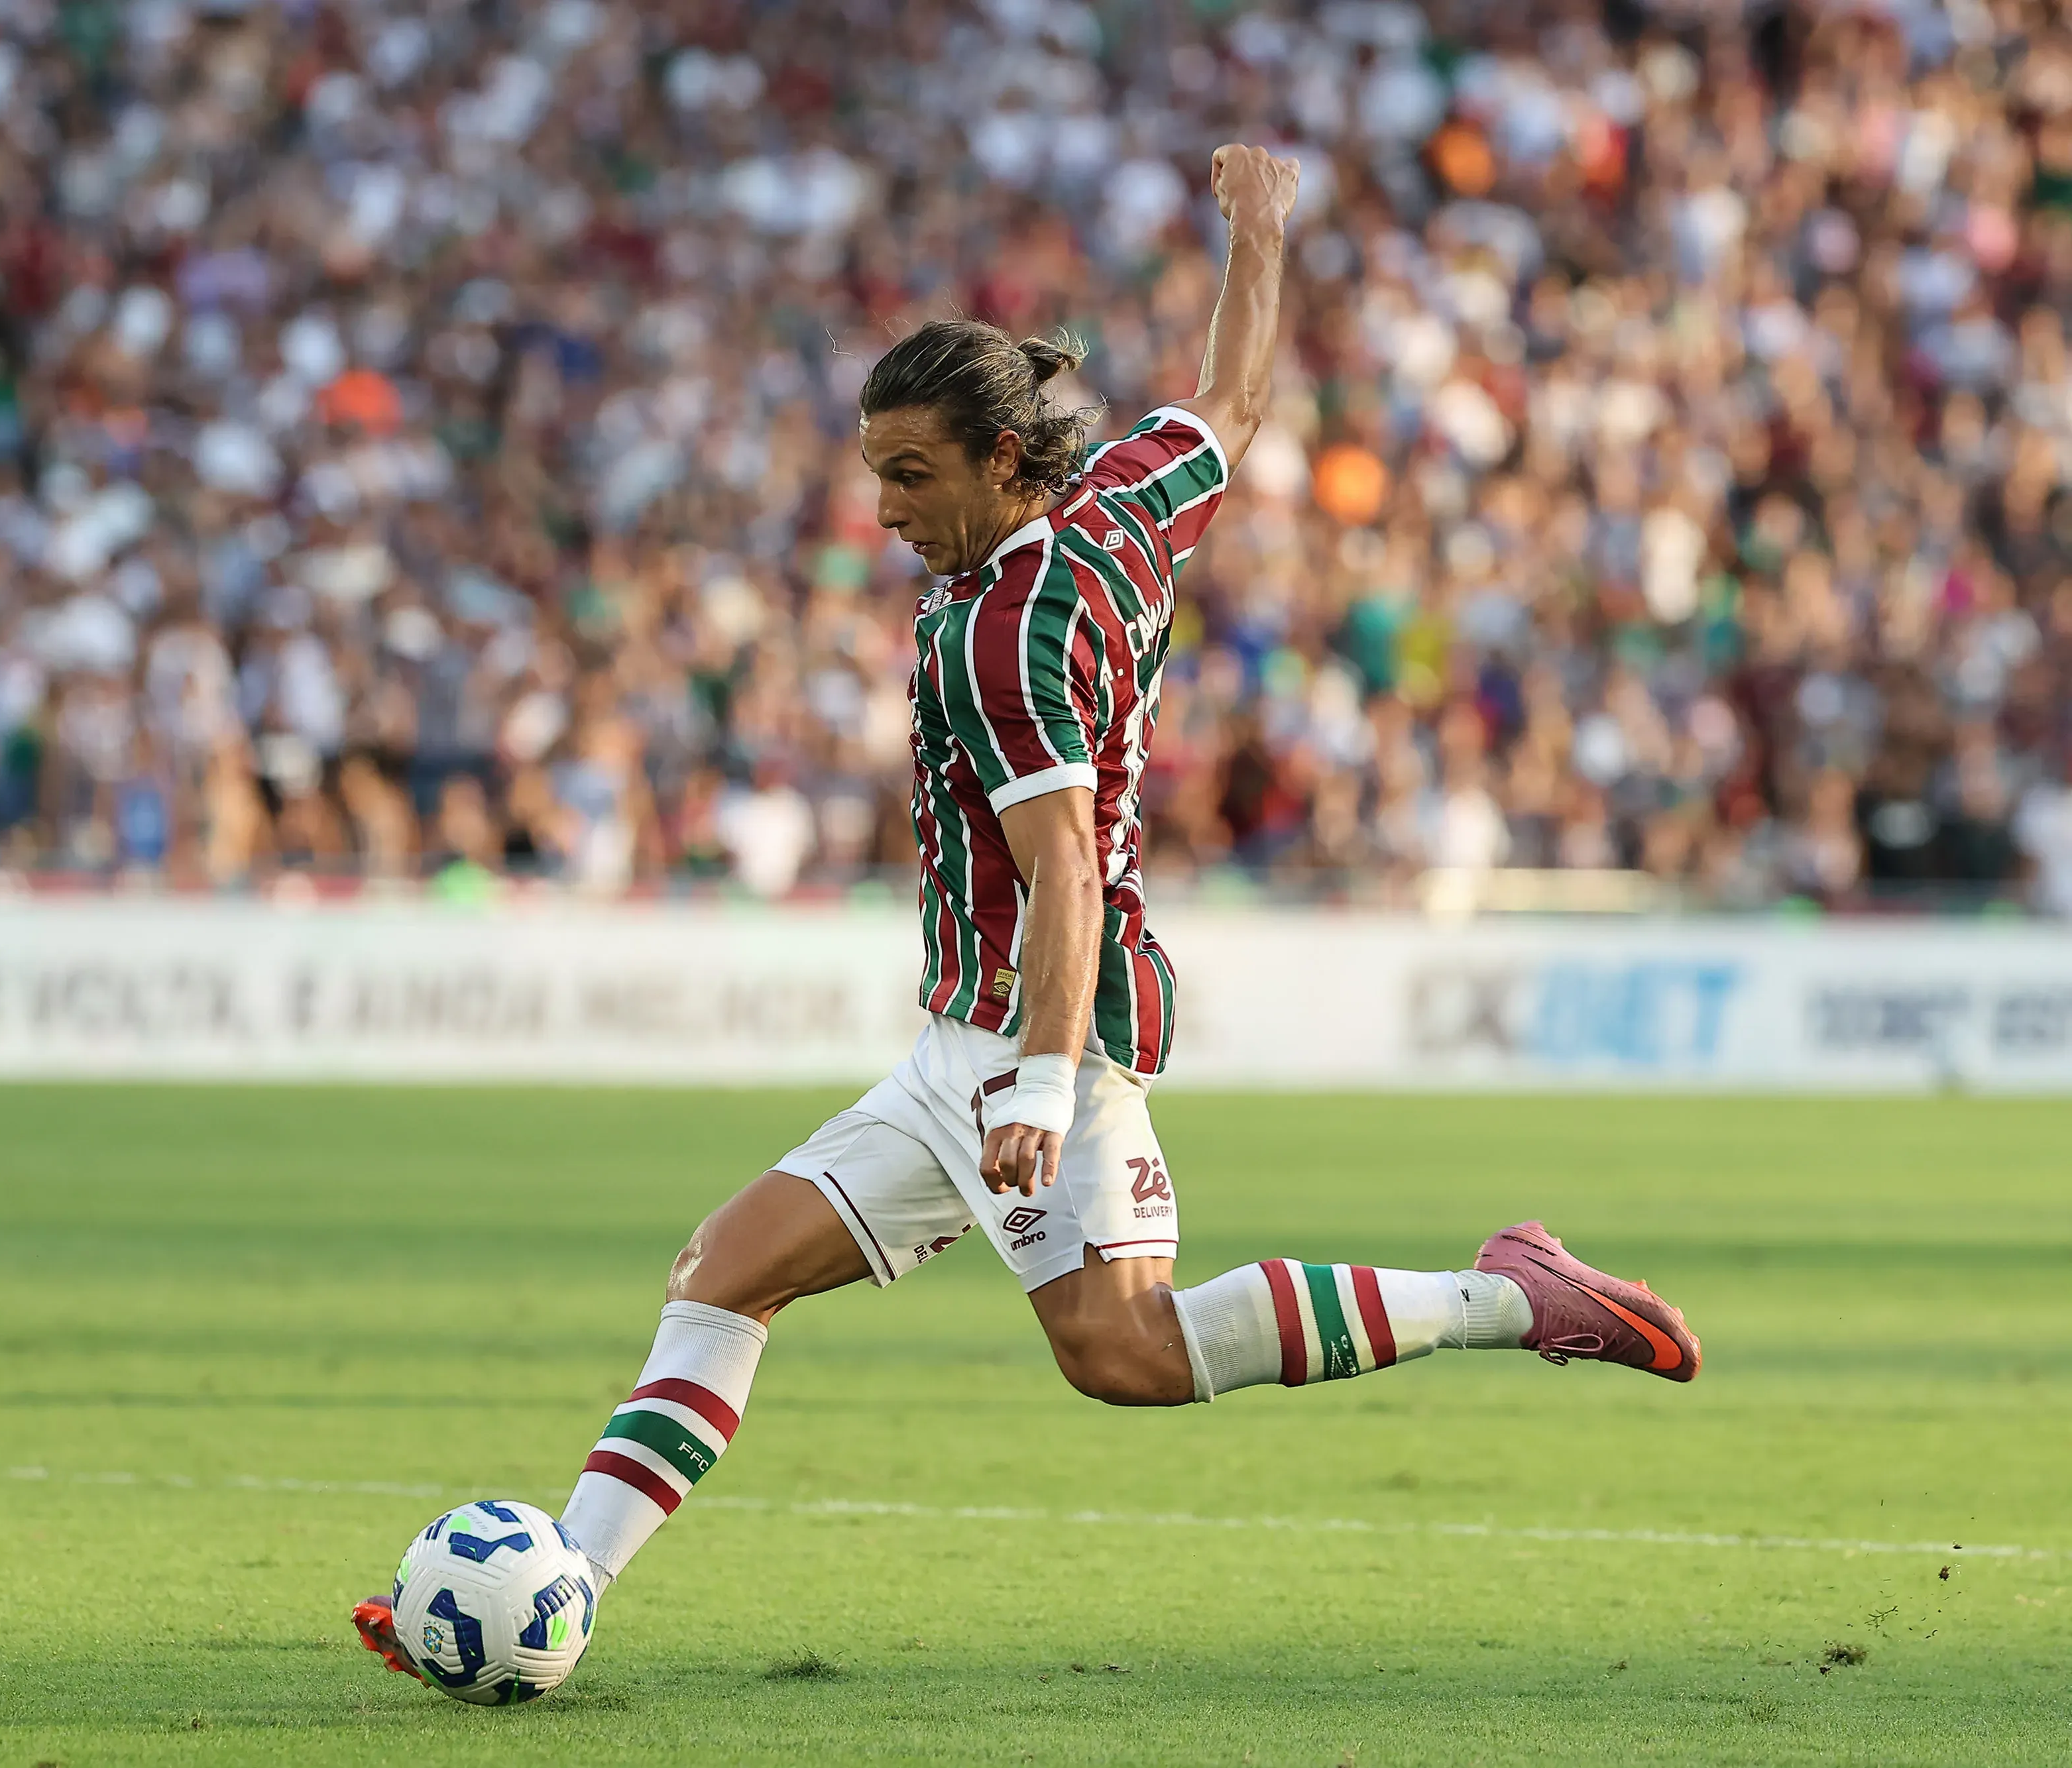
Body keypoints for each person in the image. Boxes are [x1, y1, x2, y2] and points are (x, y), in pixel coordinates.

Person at [352, 146, 1699, 1679]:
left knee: (1121, 1351)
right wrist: (1258, 234)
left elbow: (1060, 867)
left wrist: (1044, 1088)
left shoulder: (1001, 636)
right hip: (960, 1044)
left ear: (1002, 458)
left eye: (907, 476)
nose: (880, 510)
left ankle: (1505, 1294)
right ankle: (567, 1596)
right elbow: (1233, 410)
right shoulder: (1116, 501)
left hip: (1038, 1037)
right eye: (871, 474)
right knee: (720, 1270)